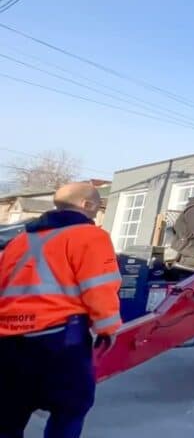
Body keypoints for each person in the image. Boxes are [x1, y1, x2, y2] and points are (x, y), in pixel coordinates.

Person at [0, 181, 122, 438]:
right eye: (98, 208)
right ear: (86, 205)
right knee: (69, 409)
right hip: (59, 339)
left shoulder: (20, 241)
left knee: (8, 416)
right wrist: (108, 329)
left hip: (8, 341)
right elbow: (100, 287)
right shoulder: (90, 236)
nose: (97, 214)